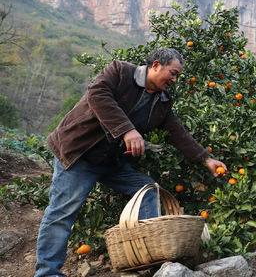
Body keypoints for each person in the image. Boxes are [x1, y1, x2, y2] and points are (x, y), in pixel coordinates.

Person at [35, 48, 227, 277]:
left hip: (110, 161)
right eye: (173, 73)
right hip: (80, 154)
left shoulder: (162, 101)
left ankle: (150, 258)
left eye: (177, 76)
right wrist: (127, 131)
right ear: (156, 65)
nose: (174, 80)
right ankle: (47, 272)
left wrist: (206, 159)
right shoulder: (119, 72)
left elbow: (178, 133)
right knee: (62, 213)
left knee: (147, 189)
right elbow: (98, 95)